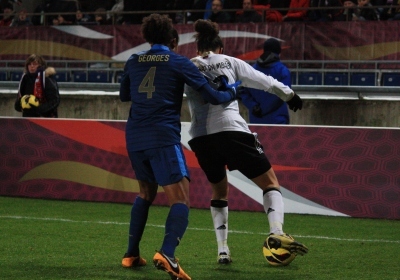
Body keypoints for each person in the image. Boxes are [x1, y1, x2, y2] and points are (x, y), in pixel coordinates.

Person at [119, 13, 240, 280]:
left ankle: (131, 254)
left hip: (135, 135)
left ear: (148, 38)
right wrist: (233, 90)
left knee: (145, 193)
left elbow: (124, 95)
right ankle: (167, 254)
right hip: (162, 136)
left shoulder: (133, 60)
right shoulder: (178, 62)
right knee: (181, 198)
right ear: (173, 40)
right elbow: (213, 96)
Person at [184, 19, 308, 264]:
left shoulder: (188, 66)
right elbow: (265, 81)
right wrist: (290, 95)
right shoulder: (230, 61)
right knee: (270, 182)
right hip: (232, 131)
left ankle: (222, 250)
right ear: (220, 48)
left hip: (201, 138)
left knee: (219, 191)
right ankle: (276, 233)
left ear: (197, 49)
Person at [241, 38, 291, 124]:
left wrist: (254, 107)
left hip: (256, 121)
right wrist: (265, 109)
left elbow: (242, 91)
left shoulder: (251, 71)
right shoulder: (283, 71)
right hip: (278, 122)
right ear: (279, 52)